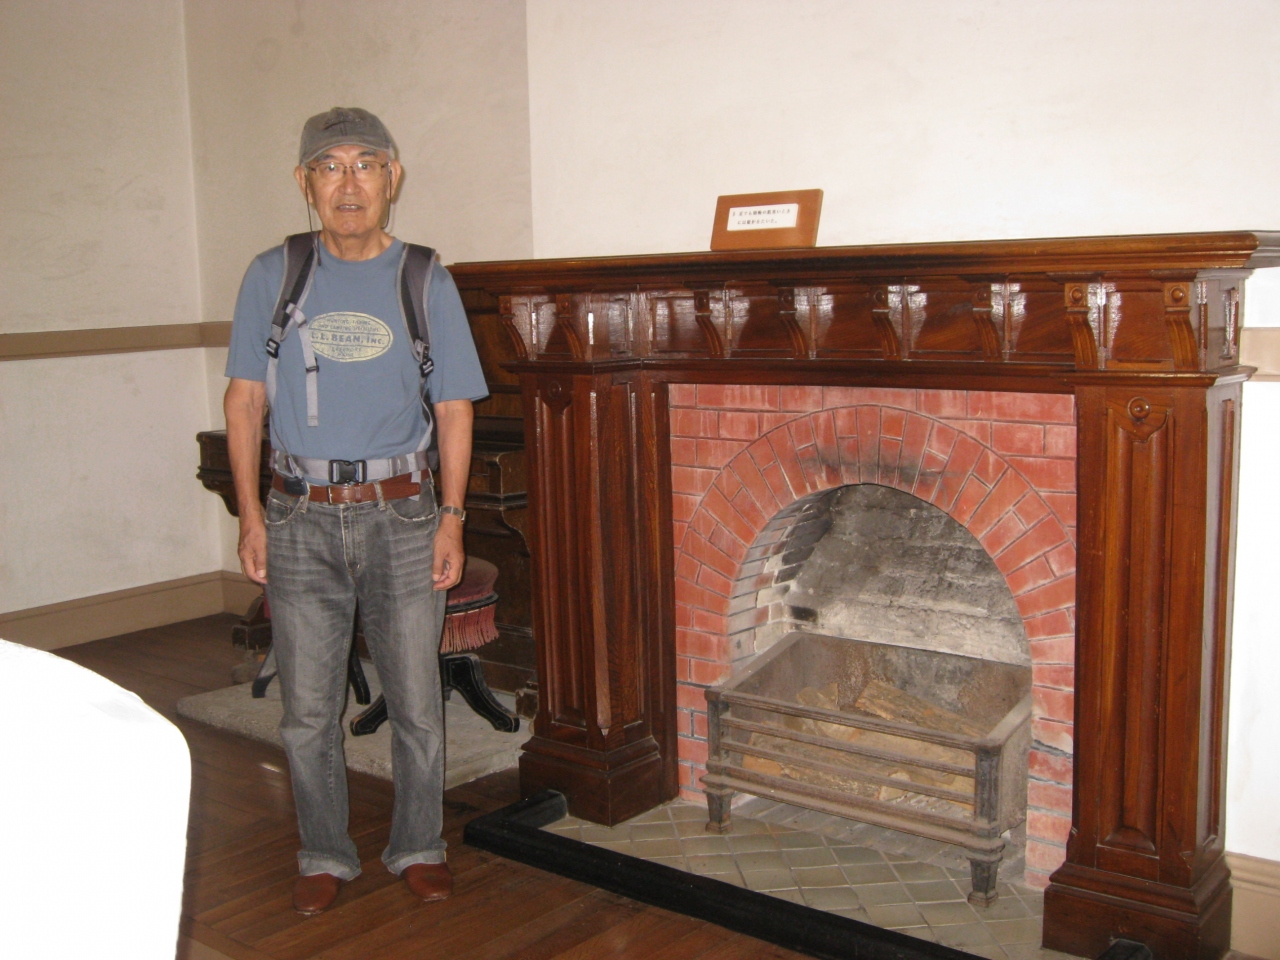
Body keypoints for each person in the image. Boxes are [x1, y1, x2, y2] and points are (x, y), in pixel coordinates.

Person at [222, 107, 487, 916]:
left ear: (391, 178)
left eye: (365, 164)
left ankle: (419, 844)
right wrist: (250, 516)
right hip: (298, 516)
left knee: (416, 702)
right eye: (329, 166)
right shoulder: (274, 274)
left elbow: (454, 408)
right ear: (305, 182)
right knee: (307, 711)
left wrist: (452, 516)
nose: (349, 182)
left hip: (403, 516)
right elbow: (243, 402)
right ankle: (324, 851)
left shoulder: (426, 278)